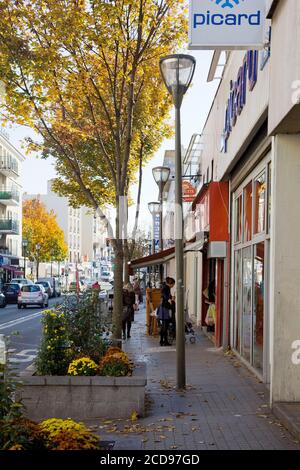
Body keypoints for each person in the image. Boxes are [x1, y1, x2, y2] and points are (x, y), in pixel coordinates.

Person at [158, 277, 175, 346]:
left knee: (163, 326)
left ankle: (162, 340)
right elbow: (166, 296)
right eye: (173, 284)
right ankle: (165, 341)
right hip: (165, 308)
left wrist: (170, 298)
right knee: (165, 325)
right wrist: (169, 299)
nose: (173, 285)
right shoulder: (166, 288)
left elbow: (165, 295)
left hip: (162, 307)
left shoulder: (164, 287)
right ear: (170, 283)